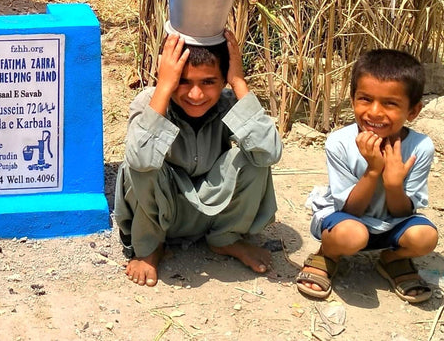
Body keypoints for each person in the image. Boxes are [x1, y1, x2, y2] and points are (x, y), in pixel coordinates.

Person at [113, 30, 283, 287]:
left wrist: (238, 82)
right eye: (183, 81)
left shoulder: (228, 103)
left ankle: (226, 238)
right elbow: (138, 161)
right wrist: (164, 87)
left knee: (253, 156)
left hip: (214, 208)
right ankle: (150, 246)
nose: (195, 95)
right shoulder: (150, 102)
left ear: (223, 80)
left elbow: (269, 152)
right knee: (140, 162)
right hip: (164, 212)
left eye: (208, 82)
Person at [297, 49, 438, 303]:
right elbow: (349, 209)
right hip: (347, 221)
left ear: (413, 111)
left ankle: (392, 259)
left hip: (392, 222)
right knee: (351, 234)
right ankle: (328, 255)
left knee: (426, 237)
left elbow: (403, 213)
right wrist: (374, 171)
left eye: (390, 103)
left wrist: (394, 184)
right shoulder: (339, 142)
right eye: (365, 99)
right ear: (352, 100)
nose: (374, 112)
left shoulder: (420, 147)